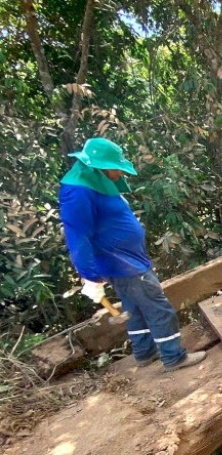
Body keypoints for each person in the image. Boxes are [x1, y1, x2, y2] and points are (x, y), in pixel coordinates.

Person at [59, 137, 207, 372]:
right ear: (100, 165)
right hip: (124, 264)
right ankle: (173, 357)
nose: (120, 173)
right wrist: (90, 277)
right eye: (117, 168)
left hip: (125, 263)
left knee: (135, 310)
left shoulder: (94, 182)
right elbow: (78, 237)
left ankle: (144, 353)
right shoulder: (79, 192)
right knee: (159, 308)